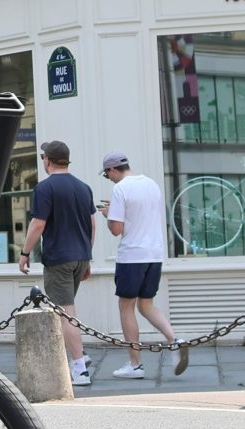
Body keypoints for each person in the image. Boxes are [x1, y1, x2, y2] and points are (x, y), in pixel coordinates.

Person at [18, 141, 98, 385]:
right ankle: (80, 353)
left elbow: (38, 224)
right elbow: (92, 224)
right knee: (66, 310)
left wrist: (24, 252)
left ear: (47, 160)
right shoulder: (84, 187)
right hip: (80, 257)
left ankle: (79, 369)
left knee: (65, 314)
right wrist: (87, 257)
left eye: (43, 156)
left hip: (59, 259)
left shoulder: (45, 188)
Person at [101, 152, 187, 377]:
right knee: (146, 304)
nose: (108, 178)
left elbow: (116, 229)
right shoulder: (151, 184)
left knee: (126, 307)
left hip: (132, 256)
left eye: (107, 174)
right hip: (154, 253)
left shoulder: (120, 189)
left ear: (112, 170)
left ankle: (135, 364)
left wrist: (109, 215)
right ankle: (175, 340)